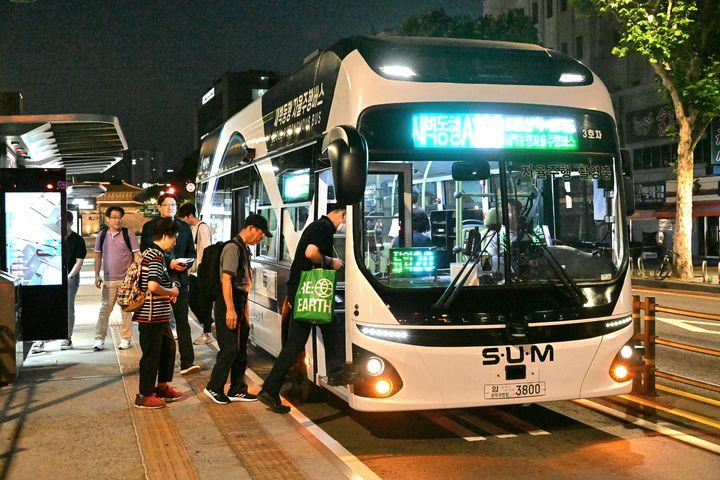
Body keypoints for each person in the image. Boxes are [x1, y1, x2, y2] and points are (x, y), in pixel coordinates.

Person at [258, 205, 346, 414]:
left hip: (300, 289)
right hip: (308, 291)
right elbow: (311, 253)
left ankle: (270, 389)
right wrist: (331, 261)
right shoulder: (324, 227)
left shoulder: (318, 225)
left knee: (297, 342)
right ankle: (336, 371)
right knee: (330, 324)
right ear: (343, 213)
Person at [203, 214, 271, 404]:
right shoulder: (233, 248)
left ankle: (237, 388)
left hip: (240, 301)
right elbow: (227, 280)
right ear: (250, 228)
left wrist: (245, 312)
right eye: (260, 234)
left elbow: (244, 284)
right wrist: (230, 310)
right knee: (230, 348)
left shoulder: (244, 249)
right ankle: (214, 387)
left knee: (240, 348)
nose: (261, 238)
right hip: (229, 301)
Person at [140, 194, 199, 375]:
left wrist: (185, 264)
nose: (170, 208)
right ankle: (156, 361)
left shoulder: (185, 228)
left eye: (173, 204)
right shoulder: (150, 227)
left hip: (180, 281)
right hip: (158, 281)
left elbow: (191, 251)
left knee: (183, 322)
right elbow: (146, 252)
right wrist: (168, 262)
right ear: (159, 207)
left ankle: (187, 362)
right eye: (166, 205)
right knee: (159, 323)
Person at [134, 218, 183, 409]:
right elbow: (153, 285)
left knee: (168, 349)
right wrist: (172, 292)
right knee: (151, 355)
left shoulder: (154, 254)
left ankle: (161, 387)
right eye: (173, 238)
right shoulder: (155, 256)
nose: (174, 242)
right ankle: (145, 396)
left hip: (159, 315)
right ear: (164, 237)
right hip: (150, 315)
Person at [93, 206, 141, 351]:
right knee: (105, 309)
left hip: (126, 280)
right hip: (108, 280)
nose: (117, 220)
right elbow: (98, 256)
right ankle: (99, 339)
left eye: (119, 217)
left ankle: (126, 339)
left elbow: (137, 256)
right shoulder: (101, 235)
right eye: (113, 217)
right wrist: (96, 274)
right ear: (107, 219)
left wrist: (136, 276)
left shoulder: (128, 234)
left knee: (126, 311)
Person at [177, 202, 214, 345]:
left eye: (183, 219)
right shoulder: (193, 228)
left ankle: (207, 332)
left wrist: (199, 269)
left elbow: (206, 251)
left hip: (201, 273)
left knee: (203, 303)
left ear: (190, 216)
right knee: (193, 302)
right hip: (195, 272)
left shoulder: (202, 228)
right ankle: (209, 324)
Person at [61, 211, 87, 350]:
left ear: (71, 223)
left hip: (70, 275)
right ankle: (42, 338)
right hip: (53, 276)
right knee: (48, 304)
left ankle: (67, 337)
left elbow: (79, 262)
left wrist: (70, 276)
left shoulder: (77, 240)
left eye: (64, 222)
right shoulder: (54, 237)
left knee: (68, 307)